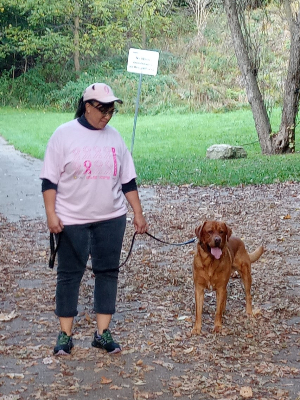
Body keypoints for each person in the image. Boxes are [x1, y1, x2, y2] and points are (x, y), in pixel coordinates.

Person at [40, 82, 148, 355]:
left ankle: (102, 334)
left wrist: (137, 212)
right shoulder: (63, 135)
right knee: (69, 275)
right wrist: (51, 214)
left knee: (108, 272)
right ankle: (65, 335)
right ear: (87, 107)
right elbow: (49, 181)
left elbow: (128, 180)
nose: (108, 115)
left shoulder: (115, 138)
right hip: (71, 219)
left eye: (112, 110)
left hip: (111, 218)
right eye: (103, 109)